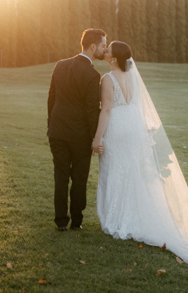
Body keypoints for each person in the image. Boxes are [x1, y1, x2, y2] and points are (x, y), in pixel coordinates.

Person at [92, 41, 188, 276]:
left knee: (115, 169)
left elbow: (106, 110)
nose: (105, 51)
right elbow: (137, 106)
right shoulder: (134, 78)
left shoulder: (107, 79)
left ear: (114, 59)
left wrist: (97, 139)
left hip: (117, 128)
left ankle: (116, 219)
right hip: (134, 128)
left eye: (108, 50)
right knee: (133, 171)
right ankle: (132, 212)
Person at [47, 28, 107, 231]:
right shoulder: (92, 74)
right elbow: (92, 110)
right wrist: (95, 137)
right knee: (79, 179)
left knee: (60, 176)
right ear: (93, 46)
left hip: (57, 132)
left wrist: (51, 127)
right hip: (80, 136)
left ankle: (61, 222)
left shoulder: (60, 65)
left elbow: (51, 99)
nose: (104, 49)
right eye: (102, 46)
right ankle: (76, 222)